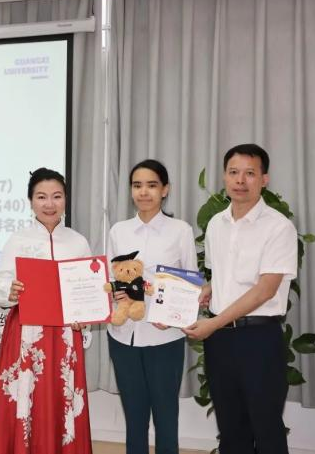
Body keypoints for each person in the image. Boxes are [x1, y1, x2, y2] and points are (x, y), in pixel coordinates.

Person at [183, 144, 297, 454]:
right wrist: (208, 290)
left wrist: (213, 323)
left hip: (259, 338)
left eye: (250, 173)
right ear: (224, 177)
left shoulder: (279, 227)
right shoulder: (216, 224)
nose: (240, 180)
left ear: (264, 179)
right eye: (233, 172)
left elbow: (265, 290)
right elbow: (221, 274)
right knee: (231, 430)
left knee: (267, 428)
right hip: (220, 341)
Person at [0, 167, 93, 454]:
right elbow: (0, 283)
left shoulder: (78, 241)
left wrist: (85, 316)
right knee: (25, 398)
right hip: (26, 334)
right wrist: (9, 290)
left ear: (66, 199)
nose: (50, 204)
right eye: (41, 197)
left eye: (57, 196)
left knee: (62, 396)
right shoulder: (18, 240)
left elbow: (89, 291)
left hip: (65, 336)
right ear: (30, 201)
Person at [106, 159, 197, 454]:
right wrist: (115, 295)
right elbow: (110, 279)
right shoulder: (119, 231)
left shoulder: (180, 231)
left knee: (166, 417)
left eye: (151, 185)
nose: (143, 192)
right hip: (124, 337)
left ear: (165, 189)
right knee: (134, 418)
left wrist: (173, 316)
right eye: (137, 185)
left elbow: (190, 286)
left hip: (164, 337)